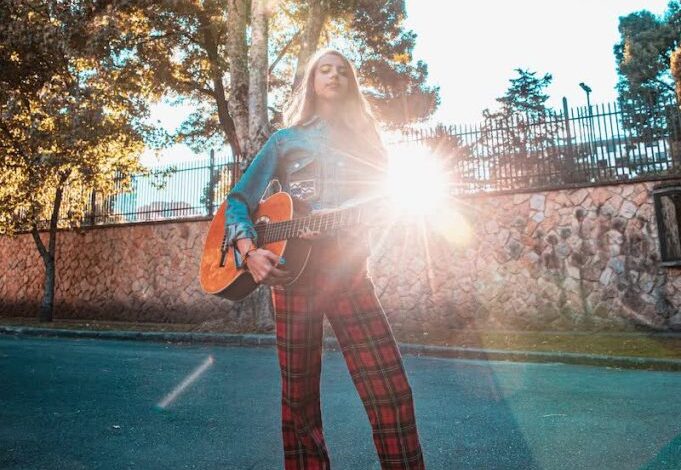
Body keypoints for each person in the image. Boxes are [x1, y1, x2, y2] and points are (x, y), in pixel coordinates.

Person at [225, 48, 426, 470]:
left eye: (343, 72)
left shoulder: (367, 141)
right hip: (293, 278)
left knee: (390, 391)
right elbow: (238, 200)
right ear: (312, 82)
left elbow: (387, 201)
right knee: (298, 401)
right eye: (325, 70)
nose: (334, 76)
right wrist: (248, 251)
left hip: (347, 271)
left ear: (351, 83)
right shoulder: (286, 140)